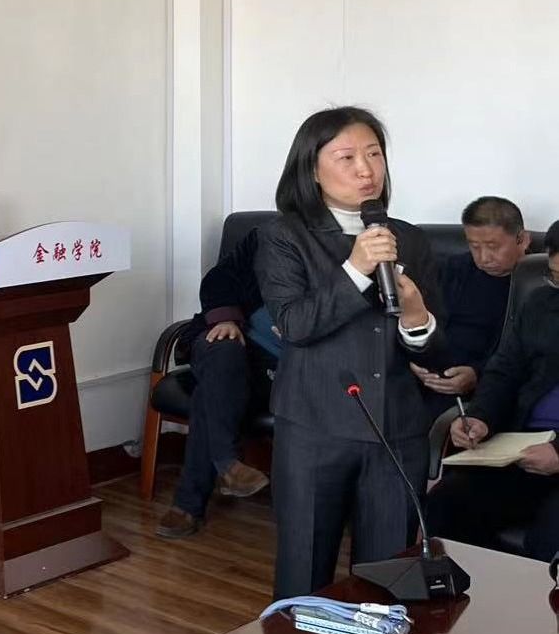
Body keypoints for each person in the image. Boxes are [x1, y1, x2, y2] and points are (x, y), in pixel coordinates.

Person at [255, 106, 449, 599]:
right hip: (315, 427)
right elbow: (295, 326)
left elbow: (434, 352)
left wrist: (416, 317)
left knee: (389, 579)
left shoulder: (409, 238)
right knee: (305, 572)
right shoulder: (284, 236)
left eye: (374, 154)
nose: (366, 169)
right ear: (312, 170)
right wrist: (355, 269)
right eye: (347, 157)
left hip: (397, 430)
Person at [425, 224, 559, 564]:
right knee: (448, 502)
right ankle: (468, 593)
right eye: (557, 276)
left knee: (551, 533)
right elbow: (504, 370)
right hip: (523, 447)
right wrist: (480, 417)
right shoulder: (540, 304)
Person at [157, 227, 280, 538]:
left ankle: (194, 498)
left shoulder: (353, 249)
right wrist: (226, 318)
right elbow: (219, 279)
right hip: (228, 337)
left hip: (280, 364)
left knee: (210, 392)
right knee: (224, 352)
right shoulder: (267, 235)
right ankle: (227, 464)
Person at [410, 196, 530, 416]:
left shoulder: (536, 282)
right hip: (428, 376)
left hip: (485, 387)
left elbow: (529, 354)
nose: (483, 258)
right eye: (474, 246)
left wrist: (478, 374)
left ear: (522, 240)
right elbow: (417, 319)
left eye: (493, 247)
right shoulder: (451, 270)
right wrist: (414, 358)